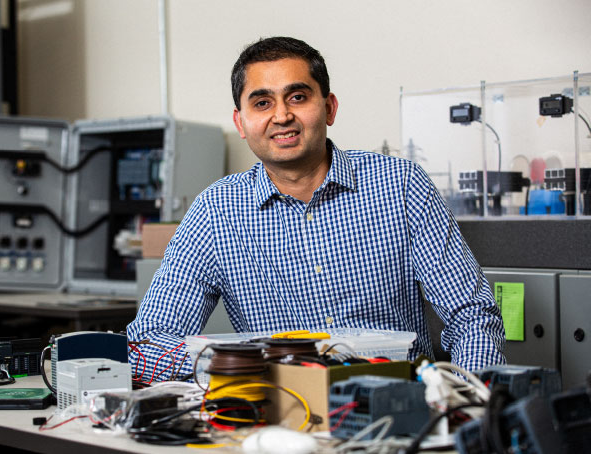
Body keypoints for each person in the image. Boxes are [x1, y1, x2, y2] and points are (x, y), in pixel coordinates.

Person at [126, 36, 505, 380]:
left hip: (396, 411)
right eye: (262, 103)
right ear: (241, 123)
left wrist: (465, 406)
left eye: (297, 97)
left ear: (329, 108)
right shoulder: (216, 211)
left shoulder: (400, 185)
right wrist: (234, 367)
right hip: (276, 417)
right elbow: (148, 343)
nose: (281, 116)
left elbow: (472, 316)